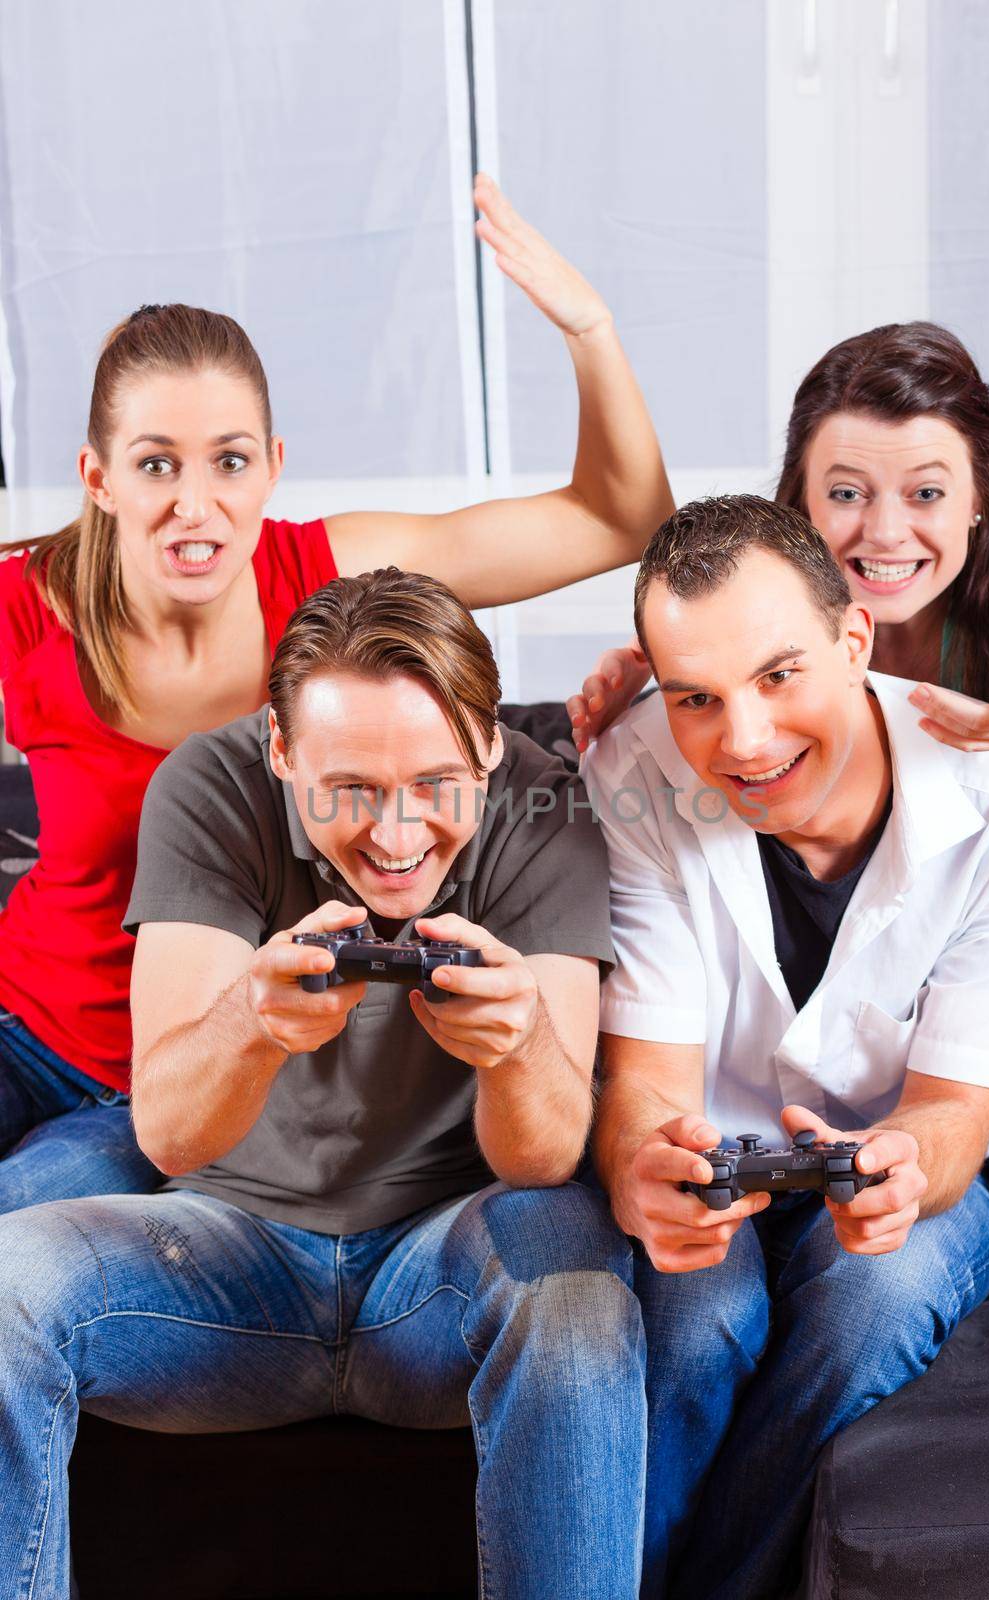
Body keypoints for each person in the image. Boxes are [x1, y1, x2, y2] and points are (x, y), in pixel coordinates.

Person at [0, 173, 674, 1215]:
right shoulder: (26, 608)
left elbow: (618, 518)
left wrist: (588, 327)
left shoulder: (333, 584)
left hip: (193, 1080)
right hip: (36, 1030)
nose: (196, 505)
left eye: (228, 461)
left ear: (271, 466)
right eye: (154, 464)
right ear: (97, 478)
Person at [0, 568, 646, 1600]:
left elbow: (540, 1157)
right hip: (227, 1257)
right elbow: (166, 1132)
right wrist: (251, 1025)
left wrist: (518, 1044)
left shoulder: (544, 806)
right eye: (348, 791)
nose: (394, 839)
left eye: (435, 786)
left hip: (440, 1268)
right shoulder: (207, 786)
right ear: (282, 753)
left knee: (576, 1296)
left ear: (487, 749)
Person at [583, 495, 989, 1599]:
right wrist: (638, 1165)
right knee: (694, 1316)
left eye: (778, 676)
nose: (742, 740)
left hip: (908, 1174)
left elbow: (952, 1110)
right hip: (724, 1167)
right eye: (694, 698)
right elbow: (648, 1080)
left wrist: (907, 1166)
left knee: (874, 1294)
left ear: (854, 640)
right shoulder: (632, 770)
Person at [571, 321, 989, 1269]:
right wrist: (670, 667)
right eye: (844, 494)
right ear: (795, 507)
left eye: (925, 493)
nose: (883, 531)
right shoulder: (689, 721)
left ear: (980, 509)